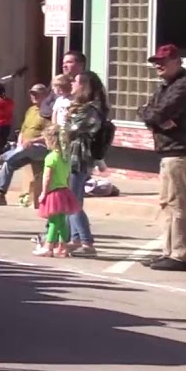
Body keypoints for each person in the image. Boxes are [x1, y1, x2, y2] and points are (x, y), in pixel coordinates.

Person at [138, 44, 186, 271]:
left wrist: (156, 117)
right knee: (166, 203)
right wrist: (154, 117)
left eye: (163, 61)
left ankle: (180, 255)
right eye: (156, 61)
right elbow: (146, 111)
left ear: (177, 61)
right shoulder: (166, 86)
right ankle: (168, 252)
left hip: (181, 151)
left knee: (177, 203)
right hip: (169, 150)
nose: (158, 65)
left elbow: (158, 113)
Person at [63, 70, 108, 258]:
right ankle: (75, 239)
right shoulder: (78, 107)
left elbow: (71, 129)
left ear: (85, 86)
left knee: (73, 202)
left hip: (79, 158)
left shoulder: (91, 109)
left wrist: (65, 120)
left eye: (76, 82)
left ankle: (87, 243)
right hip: (71, 156)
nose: (72, 84)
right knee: (72, 200)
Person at [0, 84, 52, 207]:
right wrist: (20, 142)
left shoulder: (48, 112)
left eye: (37, 94)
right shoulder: (31, 110)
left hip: (41, 148)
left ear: (45, 95)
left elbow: (51, 136)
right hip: (24, 149)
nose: (34, 96)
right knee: (9, 164)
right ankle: (0, 195)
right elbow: (23, 129)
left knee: (26, 148)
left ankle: (2, 157)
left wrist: (33, 141)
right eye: (32, 94)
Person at [34, 124, 81, 258]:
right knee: (61, 221)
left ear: (51, 140)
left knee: (54, 220)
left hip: (53, 192)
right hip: (64, 191)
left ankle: (48, 246)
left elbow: (47, 176)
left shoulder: (51, 157)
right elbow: (67, 176)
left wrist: (43, 192)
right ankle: (63, 246)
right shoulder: (65, 157)